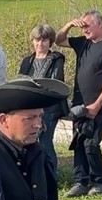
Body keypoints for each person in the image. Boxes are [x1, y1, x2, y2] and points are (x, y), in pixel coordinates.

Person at [55, 10, 102, 197]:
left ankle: (99, 182)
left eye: (87, 25)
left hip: (100, 104)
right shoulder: (83, 43)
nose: (84, 29)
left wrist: (98, 104)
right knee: (78, 142)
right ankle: (80, 181)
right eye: (82, 26)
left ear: (99, 23)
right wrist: (70, 24)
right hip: (80, 103)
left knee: (90, 143)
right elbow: (59, 40)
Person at [17, 24, 68, 175]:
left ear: (50, 42)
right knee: (28, 141)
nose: (40, 44)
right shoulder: (27, 61)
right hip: (29, 106)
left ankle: (51, 174)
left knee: (45, 142)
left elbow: (55, 82)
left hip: (49, 108)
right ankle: (34, 173)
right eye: (37, 40)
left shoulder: (56, 59)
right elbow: (20, 80)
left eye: (44, 41)